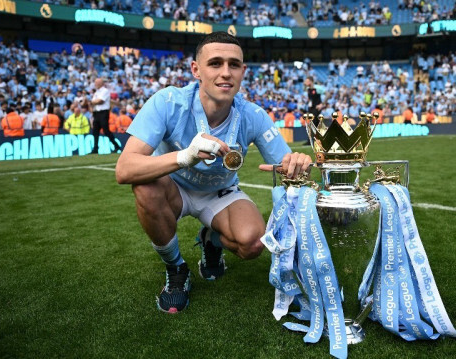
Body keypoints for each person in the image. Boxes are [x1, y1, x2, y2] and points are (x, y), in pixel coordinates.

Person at [115, 32, 312, 314]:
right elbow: (124, 169)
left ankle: (210, 240)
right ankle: (176, 269)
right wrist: (184, 156)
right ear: (196, 69)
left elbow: (285, 165)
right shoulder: (168, 101)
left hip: (220, 193)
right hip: (174, 189)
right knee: (145, 185)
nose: (225, 73)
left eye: (234, 64)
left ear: (244, 71)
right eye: (215, 63)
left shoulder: (253, 114)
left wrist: (296, 163)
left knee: (253, 244)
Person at [90, 78, 122, 154]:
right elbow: (95, 102)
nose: (95, 84)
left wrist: (92, 102)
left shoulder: (105, 91)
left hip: (103, 113)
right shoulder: (97, 92)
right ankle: (95, 148)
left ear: (100, 83)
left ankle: (116, 145)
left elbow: (100, 101)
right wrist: (93, 102)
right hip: (96, 113)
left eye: (96, 83)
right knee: (95, 131)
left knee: (106, 131)